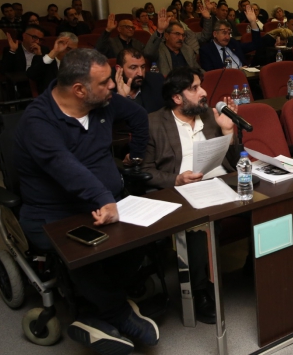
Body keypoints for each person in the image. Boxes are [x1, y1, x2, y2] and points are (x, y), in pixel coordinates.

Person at [15, 48, 158, 354]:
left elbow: (138, 117)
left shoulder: (103, 101)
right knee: (87, 248)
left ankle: (93, 314)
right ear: (79, 90)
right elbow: (63, 166)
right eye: (105, 81)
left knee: (146, 234)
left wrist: (135, 158)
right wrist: (104, 198)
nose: (114, 85)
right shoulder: (38, 121)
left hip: (105, 201)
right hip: (54, 213)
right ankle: (117, 313)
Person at [142, 66, 239, 324]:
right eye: (194, 88)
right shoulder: (154, 123)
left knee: (267, 201)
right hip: (185, 190)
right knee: (199, 225)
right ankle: (200, 291)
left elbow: (234, 160)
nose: (203, 92)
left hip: (222, 181)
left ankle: (255, 268)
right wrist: (177, 179)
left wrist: (228, 131)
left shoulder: (209, 115)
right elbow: (145, 172)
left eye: (201, 85)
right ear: (177, 97)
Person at [199, 5, 262, 71]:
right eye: (224, 33)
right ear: (215, 34)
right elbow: (211, 73)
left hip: (244, 74)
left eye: (229, 33)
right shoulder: (206, 50)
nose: (227, 37)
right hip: (227, 76)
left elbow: (256, 44)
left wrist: (253, 22)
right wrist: (236, 72)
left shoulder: (232, 43)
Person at [143, 9, 203, 76]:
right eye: (177, 34)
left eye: (183, 35)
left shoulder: (188, 50)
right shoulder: (159, 51)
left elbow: (198, 69)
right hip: (169, 82)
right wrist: (160, 30)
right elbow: (148, 53)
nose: (181, 38)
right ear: (166, 36)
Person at [113, 48, 165, 113]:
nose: (140, 73)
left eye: (143, 67)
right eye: (133, 68)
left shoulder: (156, 81)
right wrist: (121, 98)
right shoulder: (108, 88)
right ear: (119, 69)